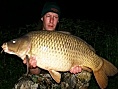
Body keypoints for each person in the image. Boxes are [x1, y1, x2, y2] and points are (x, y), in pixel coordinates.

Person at [23, 1, 92, 89]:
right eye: (48, 16)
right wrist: (32, 67)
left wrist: (77, 68)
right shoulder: (33, 38)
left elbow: (77, 59)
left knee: (84, 75)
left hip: (63, 78)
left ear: (58, 20)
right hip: (43, 80)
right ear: (42, 18)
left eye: (55, 17)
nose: (51, 21)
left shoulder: (64, 38)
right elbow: (35, 73)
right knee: (24, 85)